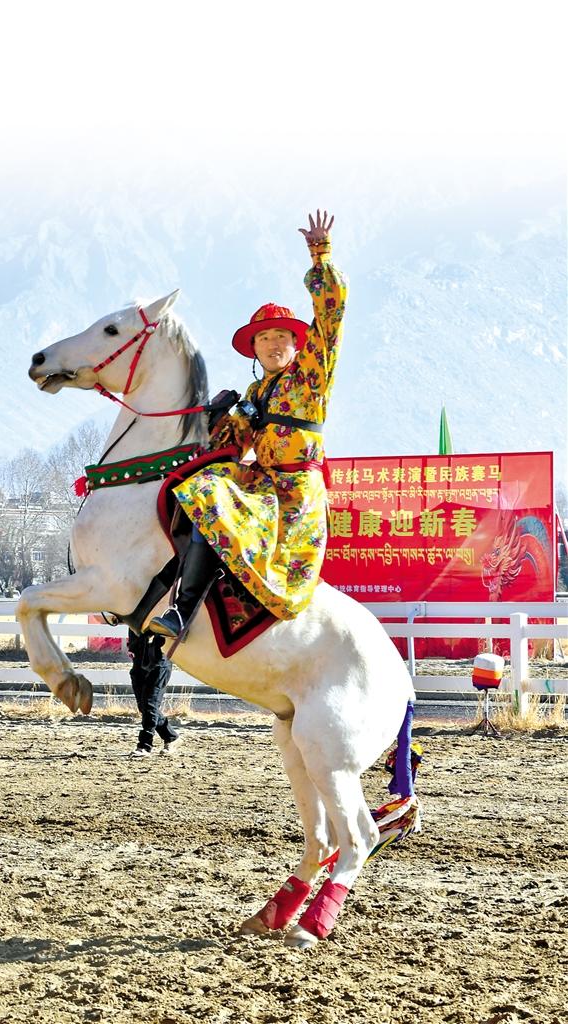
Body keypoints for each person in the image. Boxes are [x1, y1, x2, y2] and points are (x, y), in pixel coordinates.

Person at [149, 210, 348, 639]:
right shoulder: (255, 393)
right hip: (263, 485)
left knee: (215, 498)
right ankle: (182, 610)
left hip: (295, 495)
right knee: (203, 489)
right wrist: (214, 418)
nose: (273, 344)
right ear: (254, 349)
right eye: (264, 338)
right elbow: (229, 445)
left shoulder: (311, 375)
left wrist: (321, 253)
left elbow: (330, 320)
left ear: (297, 343)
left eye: (281, 337)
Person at [126, 629, 181, 756]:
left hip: (159, 663)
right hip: (139, 662)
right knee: (144, 707)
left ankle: (145, 745)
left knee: (149, 705)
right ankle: (171, 737)